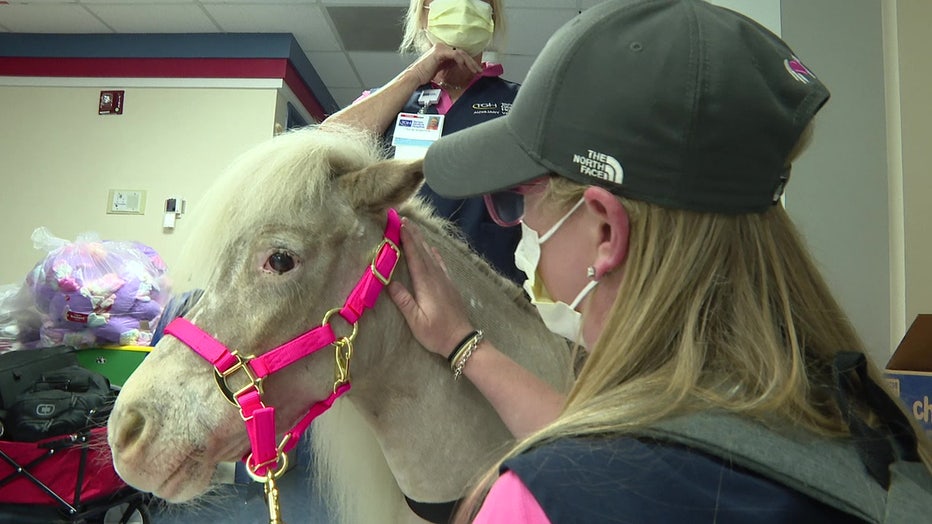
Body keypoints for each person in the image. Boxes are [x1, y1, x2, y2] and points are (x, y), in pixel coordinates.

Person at [387, 0, 932, 522]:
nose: (521, 225)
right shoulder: (878, 438)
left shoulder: (543, 500)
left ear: (605, 231)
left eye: (517, 201)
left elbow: (604, 460)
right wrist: (463, 344)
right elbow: (620, 442)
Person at [325, 0, 524, 284]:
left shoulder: (518, 103)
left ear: (492, 17)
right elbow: (322, 148)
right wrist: (416, 75)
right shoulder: (392, 101)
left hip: (491, 287)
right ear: (424, 13)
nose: (463, 5)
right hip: (397, 282)